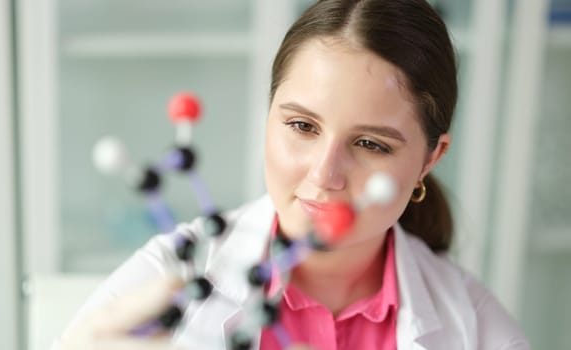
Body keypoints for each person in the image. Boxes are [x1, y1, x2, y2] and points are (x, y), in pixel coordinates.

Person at [55, 0, 530, 349]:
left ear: (430, 157)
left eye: (370, 144)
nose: (325, 174)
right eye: (302, 126)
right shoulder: (172, 274)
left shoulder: (476, 326)